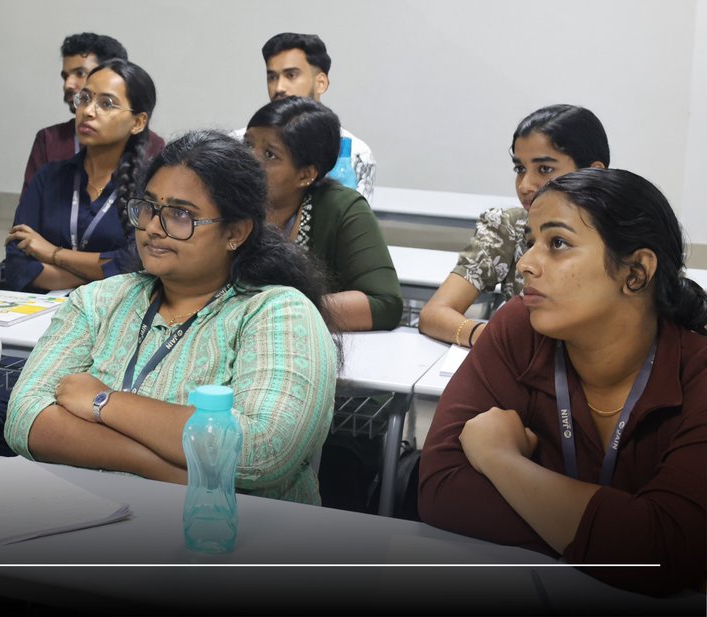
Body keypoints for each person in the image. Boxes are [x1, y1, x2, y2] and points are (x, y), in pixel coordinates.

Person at [5, 130, 339, 504]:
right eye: (148, 206)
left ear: (236, 232)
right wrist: (164, 469)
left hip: (232, 536)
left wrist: (104, 402)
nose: (151, 228)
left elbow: (261, 451)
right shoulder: (100, 299)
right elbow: (25, 418)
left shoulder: (276, 312)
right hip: (89, 518)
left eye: (181, 215)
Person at [419, 169, 707, 595]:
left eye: (557, 243)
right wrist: (623, 538)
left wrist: (500, 460)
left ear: (637, 272)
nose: (526, 263)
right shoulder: (520, 326)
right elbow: (440, 491)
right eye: (533, 240)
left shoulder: (697, 372)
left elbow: (666, 551)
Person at [418, 105, 609, 348]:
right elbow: (434, 313)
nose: (525, 185)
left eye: (545, 169)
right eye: (520, 169)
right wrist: (493, 340)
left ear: (594, 173)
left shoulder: (627, 235)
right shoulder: (509, 227)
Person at [245, 97, 402, 331]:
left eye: (270, 155)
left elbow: (384, 303)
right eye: (247, 145)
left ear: (306, 174)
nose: (249, 159)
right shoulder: (220, 199)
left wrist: (282, 313)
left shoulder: (340, 207)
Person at [5, 59, 156, 292]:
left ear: (137, 122)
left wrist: (51, 253)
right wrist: (98, 275)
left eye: (106, 104)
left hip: (111, 314)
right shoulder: (49, 177)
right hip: (40, 310)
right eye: (84, 99)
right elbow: (17, 266)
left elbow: (135, 264)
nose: (87, 111)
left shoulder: (151, 188)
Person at [21, 32, 164, 194]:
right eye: (65, 76)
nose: (68, 84)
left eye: (80, 73)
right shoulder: (49, 139)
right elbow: (27, 212)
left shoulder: (153, 146)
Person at [259, 33, 376, 199]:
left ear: (321, 83)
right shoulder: (240, 143)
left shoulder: (355, 155)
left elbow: (355, 220)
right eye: (272, 77)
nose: (279, 87)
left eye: (291, 75)